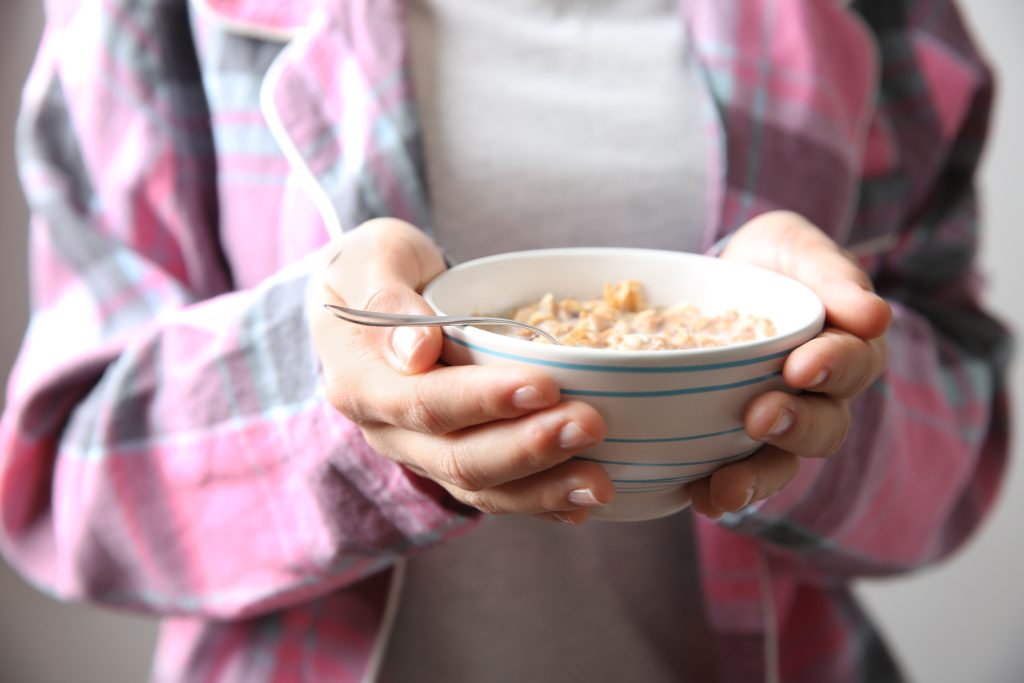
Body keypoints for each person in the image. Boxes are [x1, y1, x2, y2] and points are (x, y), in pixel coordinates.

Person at [0, 0, 1011, 681]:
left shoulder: (884, 18)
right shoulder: (155, 19)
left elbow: (957, 458)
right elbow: (62, 485)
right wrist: (339, 397)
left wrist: (807, 375)